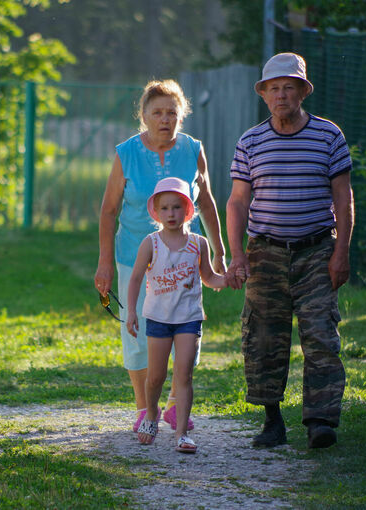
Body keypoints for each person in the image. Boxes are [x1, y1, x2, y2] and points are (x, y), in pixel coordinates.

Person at [225, 52, 354, 449]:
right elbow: (237, 202)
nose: (281, 95)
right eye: (273, 88)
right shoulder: (250, 141)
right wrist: (238, 254)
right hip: (265, 253)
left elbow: (343, 197)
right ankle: (272, 421)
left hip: (317, 250)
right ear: (263, 95)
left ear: (302, 92)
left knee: (320, 337)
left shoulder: (329, 136)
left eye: (289, 87)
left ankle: (320, 421)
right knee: (263, 338)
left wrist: (341, 252)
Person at [94, 79, 226, 433]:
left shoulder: (193, 149)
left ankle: (172, 406)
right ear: (144, 116)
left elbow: (207, 201)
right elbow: (108, 210)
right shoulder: (126, 153)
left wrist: (218, 251)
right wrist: (105, 261)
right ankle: (143, 408)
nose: (165, 119)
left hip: (182, 255)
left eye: (172, 112)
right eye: (157, 112)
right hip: (133, 254)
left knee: (183, 325)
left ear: (182, 116)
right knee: (136, 329)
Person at [127, 177, 229, 453]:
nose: (171, 214)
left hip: (189, 319)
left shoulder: (199, 243)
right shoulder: (151, 243)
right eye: (165, 208)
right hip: (158, 320)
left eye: (176, 208)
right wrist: (132, 314)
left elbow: (209, 277)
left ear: (188, 210)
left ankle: (182, 434)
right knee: (157, 377)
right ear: (156, 213)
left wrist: (228, 279)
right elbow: (135, 278)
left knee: (184, 375)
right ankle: (151, 414)